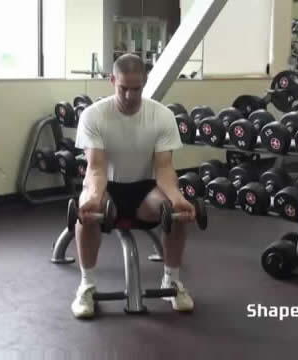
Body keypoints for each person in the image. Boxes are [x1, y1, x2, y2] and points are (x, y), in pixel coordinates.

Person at [72, 53, 196, 318]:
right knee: (86, 213)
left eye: (136, 89)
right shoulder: (94, 116)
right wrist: (93, 197)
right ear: (112, 80)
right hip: (108, 187)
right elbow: (96, 168)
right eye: (123, 88)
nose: (129, 96)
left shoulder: (161, 116)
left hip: (144, 190)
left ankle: (172, 280)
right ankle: (87, 286)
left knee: (173, 212)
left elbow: (164, 168)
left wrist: (177, 198)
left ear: (145, 82)